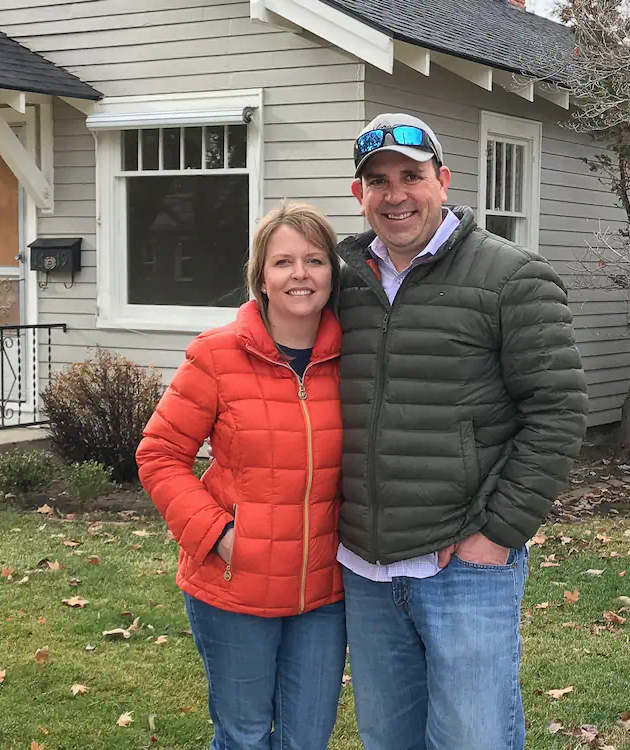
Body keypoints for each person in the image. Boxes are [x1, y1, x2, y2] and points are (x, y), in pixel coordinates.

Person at [335, 113, 589, 750]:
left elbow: (558, 412)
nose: (395, 195)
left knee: (473, 739)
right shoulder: (342, 280)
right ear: (358, 194)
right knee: (387, 738)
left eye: (411, 177)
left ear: (443, 180)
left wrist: (497, 533)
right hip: (367, 567)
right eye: (378, 181)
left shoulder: (511, 277)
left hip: (464, 562)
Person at [136, 201, 347, 749]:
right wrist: (218, 535)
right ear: (261, 277)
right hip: (235, 586)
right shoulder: (216, 356)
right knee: (245, 736)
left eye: (315, 260)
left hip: (324, 594)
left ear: (332, 273)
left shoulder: (356, 357)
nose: (300, 274)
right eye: (283, 262)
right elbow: (159, 453)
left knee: (306, 740)